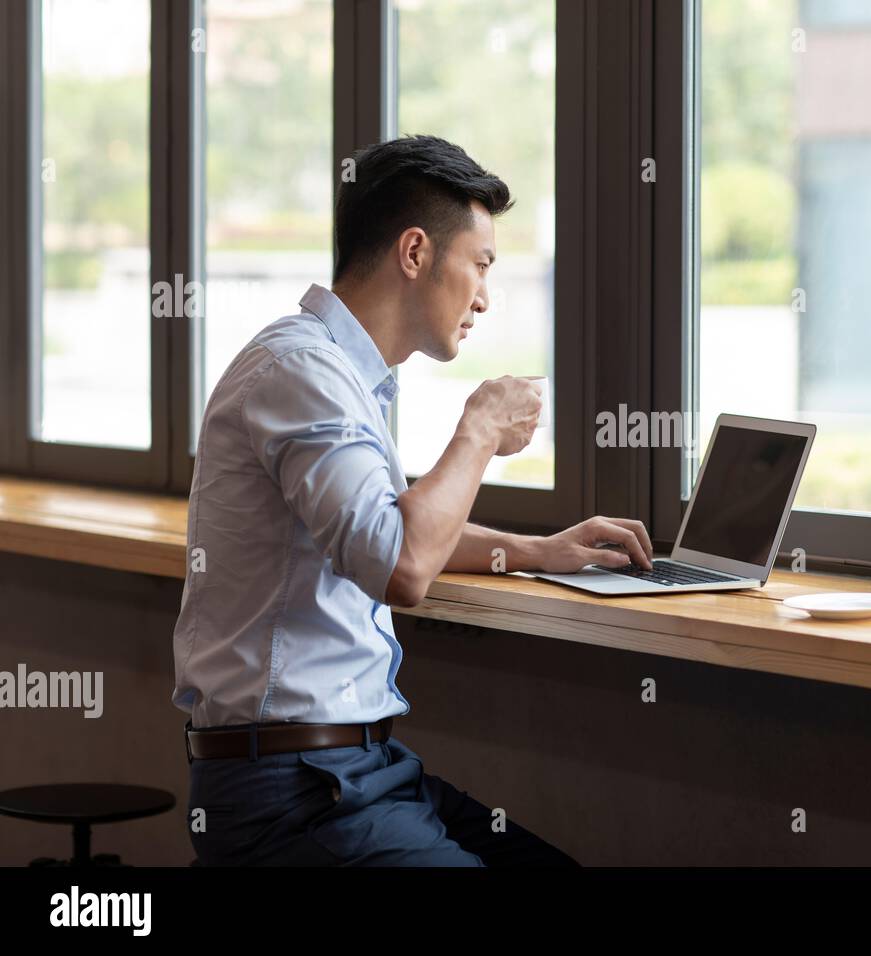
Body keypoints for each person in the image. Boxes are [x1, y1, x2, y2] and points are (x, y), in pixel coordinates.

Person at [172, 134, 654, 866]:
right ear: (415, 252)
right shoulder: (300, 371)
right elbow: (401, 566)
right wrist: (482, 425)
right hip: (292, 796)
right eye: (482, 265)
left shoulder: (332, 374)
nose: (486, 297)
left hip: (356, 773)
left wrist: (536, 552)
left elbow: (384, 528)